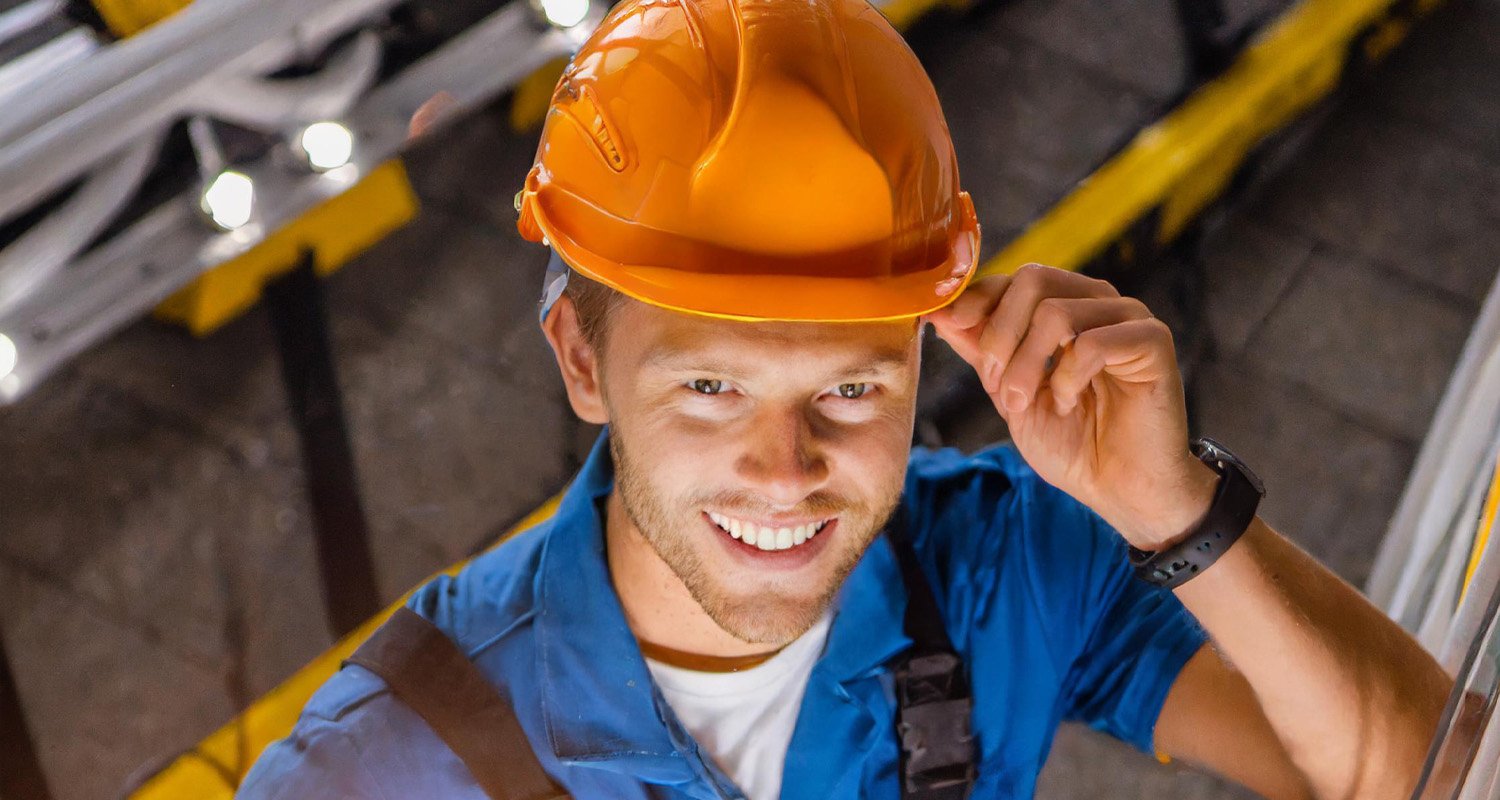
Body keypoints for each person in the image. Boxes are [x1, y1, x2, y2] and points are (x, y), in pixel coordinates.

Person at [239, 0, 1452, 797]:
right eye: (712, 386)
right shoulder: (381, 766)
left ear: (931, 347)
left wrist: (1175, 507)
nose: (787, 469)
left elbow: (1429, 776)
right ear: (582, 359)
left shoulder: (1005, 563)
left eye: (850, 385)